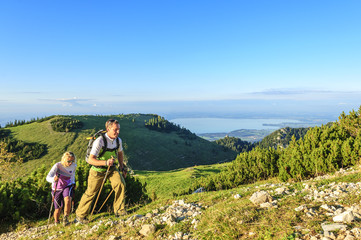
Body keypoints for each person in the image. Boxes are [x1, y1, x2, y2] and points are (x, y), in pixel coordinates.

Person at [75, 119, 127, 223]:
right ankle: (80, 216)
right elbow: (90, 160)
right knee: (91, 192)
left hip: (111, 168)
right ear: (108, 129)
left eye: (119, 129)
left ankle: (120, 211)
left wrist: (122, 168)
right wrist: (105, 163)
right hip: (97, 170)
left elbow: (120, 154)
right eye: (115, 130)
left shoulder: (118, 140)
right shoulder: (100, 141)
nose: (118, 132)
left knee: (121, 184)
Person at [46, 151, 77, 226]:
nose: (70, 163)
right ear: (64, 159)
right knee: (58, 208)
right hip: (57, 188)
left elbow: (72, 175)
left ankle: (65, 218)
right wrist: (54, 179)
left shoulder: (74, 166)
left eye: (72, 161)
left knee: (68, 199)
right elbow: (48, 177)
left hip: (67, 185)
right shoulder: (58, 165)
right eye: (68, 161)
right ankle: (56, 221)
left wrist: (73, 183)